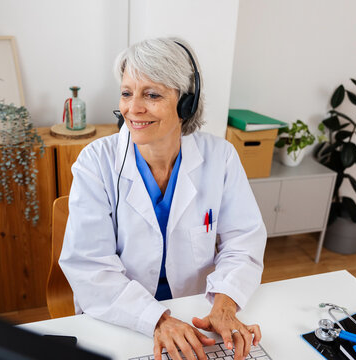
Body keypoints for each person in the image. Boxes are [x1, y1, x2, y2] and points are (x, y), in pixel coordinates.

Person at [59, 37, 267, 360]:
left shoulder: (221, 158)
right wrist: (157, 320)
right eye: (127, 93)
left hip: (198, 315)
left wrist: (225, 305)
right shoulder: (96, 163)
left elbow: (244, 241)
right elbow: (88, 266)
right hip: (122, 317)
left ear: (186, 104)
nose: (133, 108)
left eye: (152, 95)